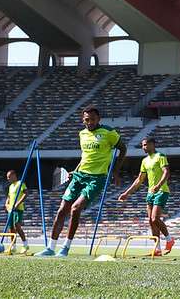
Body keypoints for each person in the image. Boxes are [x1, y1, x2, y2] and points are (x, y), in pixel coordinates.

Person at [35, 106, 127, 257]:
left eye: (92, 119)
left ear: (98, 119)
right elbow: (85, 157)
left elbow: (123, 149)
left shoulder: (109, 132)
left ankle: (65, 248)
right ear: (82, 120)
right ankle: (50, 248)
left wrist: (116, 170)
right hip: (79, 176)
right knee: (61, 211)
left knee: (75, 209)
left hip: (97, 178)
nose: (89, 122)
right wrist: (76, 171)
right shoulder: (82, 134)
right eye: (86, 120)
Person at [118, 138, 175, 256]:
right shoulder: (144, 161)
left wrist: (159, 185)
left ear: (152, 145)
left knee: (155, 218)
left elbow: (166, 172)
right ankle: (157, 249)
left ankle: (169, 240)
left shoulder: (160, 156)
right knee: (151, 221)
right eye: (142, 145)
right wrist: (127, 193)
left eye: (145, 145)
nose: (143, 147)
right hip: (150, 193)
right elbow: (139, 179)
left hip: (161, 191)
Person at [5, 170, 29, 254]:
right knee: (11, 228)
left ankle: (25, 244)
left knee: (17, 225)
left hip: (18, 209)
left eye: (9, 177)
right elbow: (9, 196)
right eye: (7, 177)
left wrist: (18, 203)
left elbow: (26, 193)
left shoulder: (20, 183)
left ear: (14, 175)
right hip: (10, 209)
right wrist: (6, 203)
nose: (8, 179)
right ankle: (13, 246)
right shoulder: (11, 186)